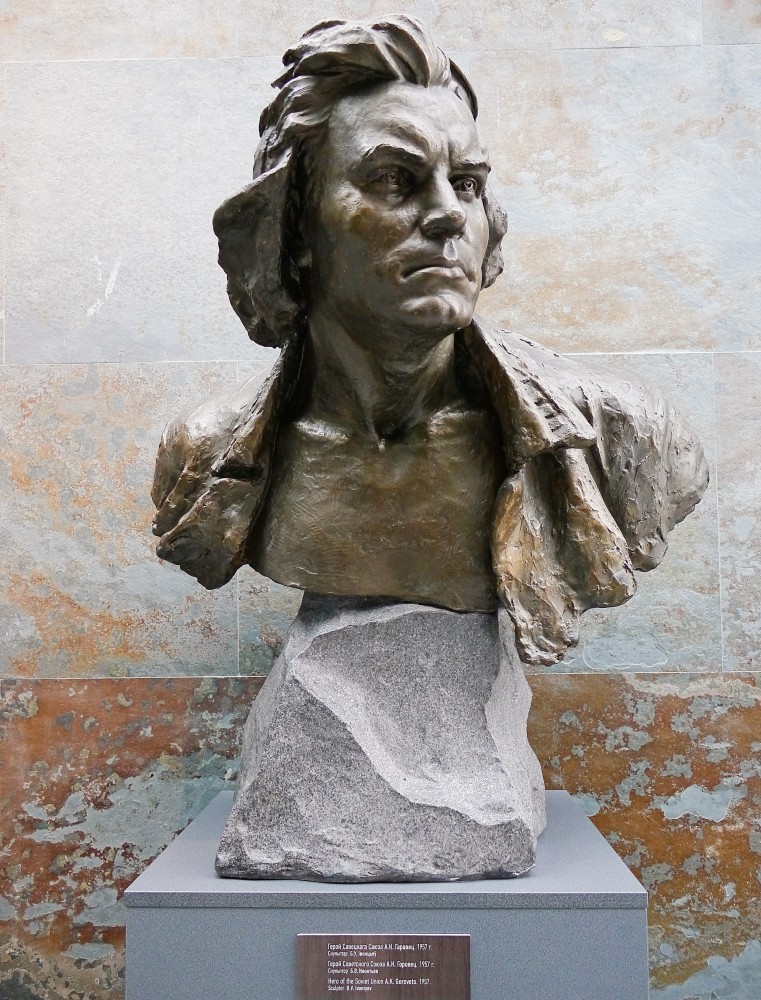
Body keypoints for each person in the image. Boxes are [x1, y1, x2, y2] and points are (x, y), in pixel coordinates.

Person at [151, 15, 708, 666]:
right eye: (394, 179)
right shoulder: (205, 454)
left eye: (467, 183)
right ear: (295, 226)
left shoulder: (626, 435)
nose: (448, 215)